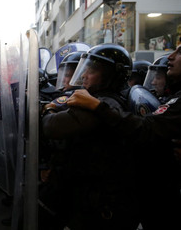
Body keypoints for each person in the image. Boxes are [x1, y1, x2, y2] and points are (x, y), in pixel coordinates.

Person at [66, 44, 181, 230]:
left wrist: (98, 107)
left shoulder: (108, 103)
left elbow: (145, 130)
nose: (171, 56)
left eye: (180, 52)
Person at [41, 44, 139, 230]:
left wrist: (48, 109)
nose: (84, 75)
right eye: (84, 69)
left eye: (92, 70)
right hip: (92, 195)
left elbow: (52, 127)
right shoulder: (100, 101)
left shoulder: (102, 105)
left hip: (101, 200)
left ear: (111, 75)